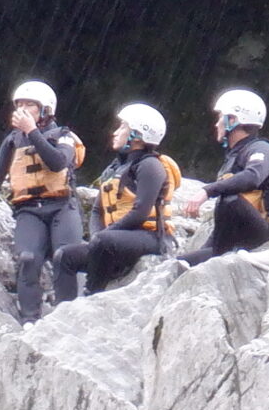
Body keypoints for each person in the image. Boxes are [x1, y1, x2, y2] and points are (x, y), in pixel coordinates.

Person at [0, 80, 85, 321]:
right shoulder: (13, 140)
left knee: (65, 256)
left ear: (45, 110)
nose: (22, 110)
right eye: (19, 105)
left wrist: (32, 132)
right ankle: (29, 321)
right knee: (27, 259)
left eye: (30, 105)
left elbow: (58, 162)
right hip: (28, 210)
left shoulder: (64, 135)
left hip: (62, 207)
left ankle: (69, 317)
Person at [55, 105, 180, 293]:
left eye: (122, 127)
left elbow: (140, 213)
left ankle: (92, 293)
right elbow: (97, 211)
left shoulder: (150, 166)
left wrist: (103, 238)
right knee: (64, 256)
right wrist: (97, 238)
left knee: (104, 241)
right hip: (114, 240)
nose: (115, 132)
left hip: (152, 238)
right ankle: (62, 310)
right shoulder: (115, 168)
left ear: (138, 135)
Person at [187, 89, 269, 259]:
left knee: (229, 199)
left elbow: (253, 177)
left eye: (220, 117)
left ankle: (216, 257)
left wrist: (207, 191)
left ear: (233, 120)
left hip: (268, 235)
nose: (216, 124)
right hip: (236, 236)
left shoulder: (262, 148)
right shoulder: (235, 155)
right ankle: (213, 258)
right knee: (182, 263)